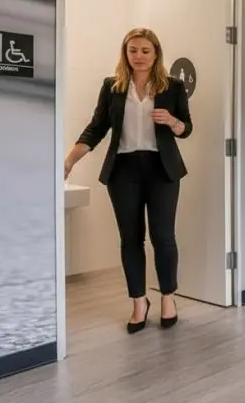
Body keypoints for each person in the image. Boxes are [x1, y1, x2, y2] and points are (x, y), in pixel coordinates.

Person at [64, 28, 193, 333]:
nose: (138, 56)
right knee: (130, 239)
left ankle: (168, 298)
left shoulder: (173, 86)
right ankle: (138, 302)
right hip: (123, 170)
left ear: (156, 53)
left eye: (145, 50)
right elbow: (96, 128)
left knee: (163, 237)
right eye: (132, 50)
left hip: (162, 169)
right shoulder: (113, 87)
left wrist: (172, 122)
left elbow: (186, 128)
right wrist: (69, 161)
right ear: (125, 53)